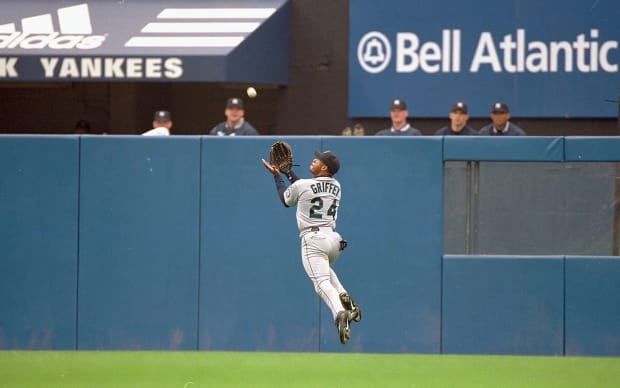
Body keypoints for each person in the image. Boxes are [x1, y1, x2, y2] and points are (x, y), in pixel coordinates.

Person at [261, 149, 361, 344]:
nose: (314, 160)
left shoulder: (303, 185)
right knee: (325, 272)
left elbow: (286, 199)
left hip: (313, 240)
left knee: (320, 283)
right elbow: (305, 188)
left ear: (324, 167)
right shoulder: (337, 186)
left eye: (318, 160)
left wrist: (277, 177)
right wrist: (288, 172)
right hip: (333, 241)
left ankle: (339, 312)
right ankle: (344, 297)